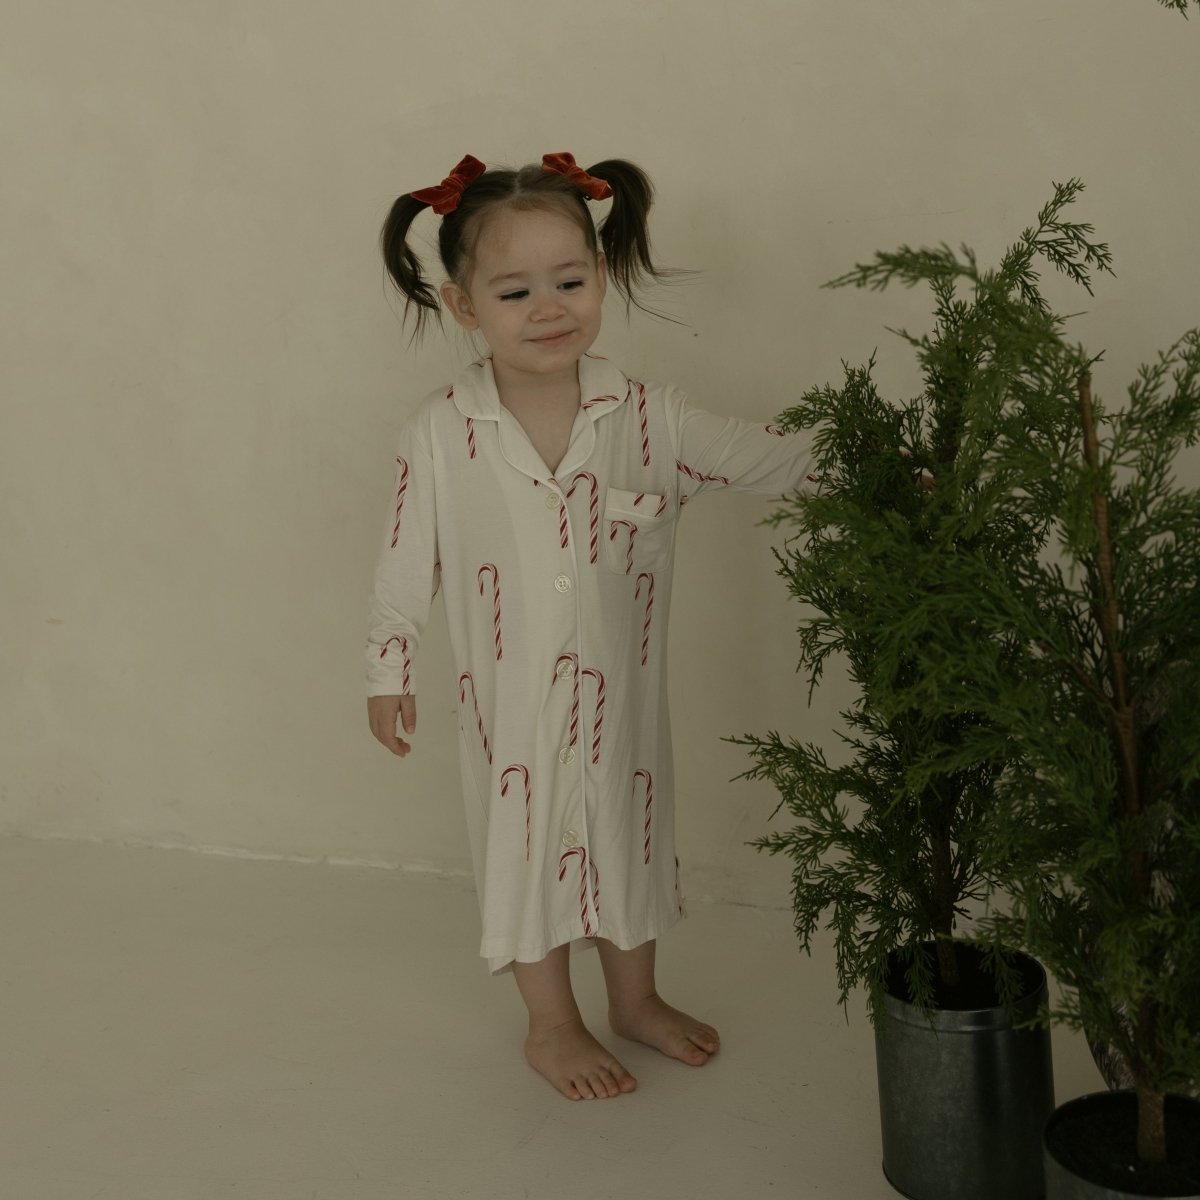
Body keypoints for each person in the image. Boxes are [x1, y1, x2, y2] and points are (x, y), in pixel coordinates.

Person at [366, 152, 817, 1101]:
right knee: (526, 850)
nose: (549, 308)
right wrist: (388, 667)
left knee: (627, 838)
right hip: (511, 714)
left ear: (600, 278)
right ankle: (552, 1022)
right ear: (463, 306)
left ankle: (636, 1000)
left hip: (623, 712)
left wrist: (880, 466)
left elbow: (763, 457)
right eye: (516, 290)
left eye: (570, 281)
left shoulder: (647, 418)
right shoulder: (443, 431)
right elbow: (407, 559)